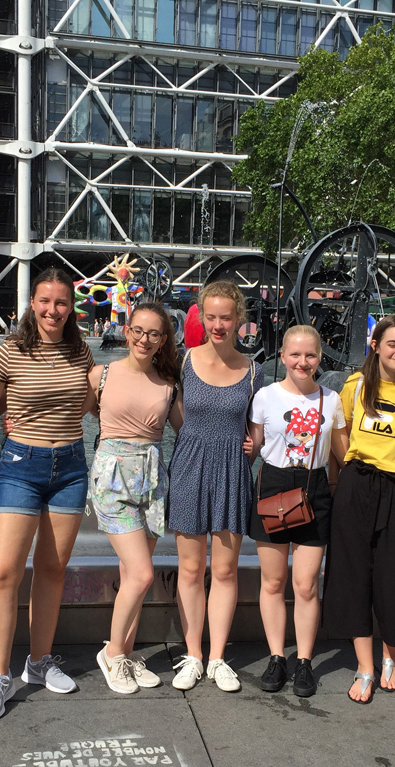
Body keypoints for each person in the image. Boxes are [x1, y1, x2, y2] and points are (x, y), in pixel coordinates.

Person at [0, 267, 94, 721]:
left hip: (70, 464)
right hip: (21, 464)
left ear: (71, 307)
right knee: (2, 572)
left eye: (61, 302)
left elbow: (89, 403)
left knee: (51, 569)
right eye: (45, 301)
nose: (53, 310)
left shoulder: (80, 351)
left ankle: (39, 662)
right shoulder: (8, 351)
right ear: (32, 303)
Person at [322, 315, 395, 704]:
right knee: (354, 575)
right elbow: (338, 431)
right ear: (375, 346)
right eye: (392, 344)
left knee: (394, 577)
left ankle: (391, 655)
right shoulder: (355, 386)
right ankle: (365, 665)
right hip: (357, 484)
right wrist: (348, 471)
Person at [167, 280, 263, 692]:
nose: (218, 325)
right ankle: (193, 655)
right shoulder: (184, 361)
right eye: (211, 317)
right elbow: (173, 413)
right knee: (190, 569)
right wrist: (195, 441)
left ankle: (218, 657)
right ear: (202, 317)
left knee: (224, 570)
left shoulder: (253, 370)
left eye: (226, 317)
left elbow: (258, 427)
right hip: (190, 468)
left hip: (232, 471)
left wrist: (253, 445)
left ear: (239, 318)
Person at [247, 325, 345, 697]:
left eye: (310, 355)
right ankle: (277, 656)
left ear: (319, 357)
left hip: (314, 488)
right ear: (284, 356)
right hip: (273, 485)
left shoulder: (331, 400)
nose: (302, 362)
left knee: (305, 585)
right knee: (273, 582)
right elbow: (254, 446)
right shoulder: (265, 397)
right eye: (295, 355)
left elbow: (342, 454)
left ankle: (304, 660)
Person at [91, 303, 181, 694]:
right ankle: (112, 654)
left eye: (154, 334)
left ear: (163, 340)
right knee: (143, 573)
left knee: (134, 577)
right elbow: (73, 414)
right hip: (113, 476)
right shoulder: (102, 374)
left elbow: (187, 431)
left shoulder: (168, 383)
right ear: (127, 332)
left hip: (152, 478)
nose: (145, 339)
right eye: (138, 331)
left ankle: (126, 652)